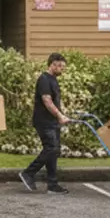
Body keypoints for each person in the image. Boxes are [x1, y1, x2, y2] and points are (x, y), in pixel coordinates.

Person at [20, 53, 71, 195]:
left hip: (52, 122)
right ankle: (28, 173)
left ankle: (52, 185)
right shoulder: (44, 79)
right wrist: (60, 115)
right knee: (51, 148)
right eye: (60, 66)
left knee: (54, 151)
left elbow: (54, 101)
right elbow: (47, 101)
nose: (62, 69)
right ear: (53, 64)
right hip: (44, 121)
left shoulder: (53, 79)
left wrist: (63, 113)